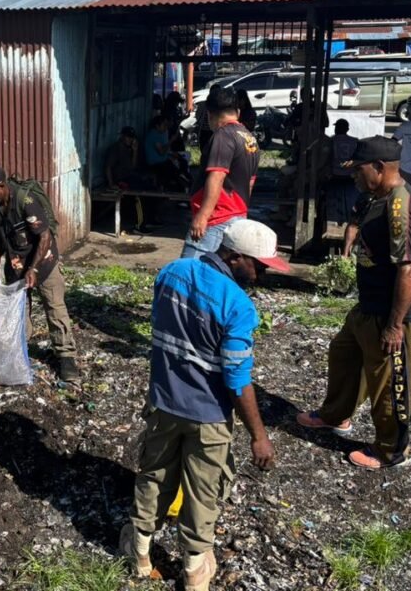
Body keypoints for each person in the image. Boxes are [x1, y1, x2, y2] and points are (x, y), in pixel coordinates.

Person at [120, 219, 286, 588]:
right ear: (235, 257)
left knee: (155, 474)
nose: (261, 275)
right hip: (208, 415)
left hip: (164, 402)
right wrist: (259, 436)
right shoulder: (238, 307)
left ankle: (140, 552)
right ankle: (195, 570)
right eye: (259, 266)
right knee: (203, 490)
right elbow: (237, 379)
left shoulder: (171, 273)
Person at [296, 136, 411, 470]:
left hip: (390, 312)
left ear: (380, 167)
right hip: (368, 305)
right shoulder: (375, 198)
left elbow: (408, 269)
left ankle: (391, 450)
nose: (354, 175)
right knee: (343, 354)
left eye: (359, 169)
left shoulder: (400, 206)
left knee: (388, 381)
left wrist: (394, 325)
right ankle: (335, 415)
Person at [0, 165, 80, 383]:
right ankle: (19, 350)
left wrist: (34, 269)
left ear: (1, 187)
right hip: (16, 264)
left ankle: (66, 356)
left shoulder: (26, 201)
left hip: (44, 262)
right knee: (18, 311)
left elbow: (44, 237)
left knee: (54, 306)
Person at [182, 86, 260, 259]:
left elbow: (217, 175)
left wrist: (203, 216)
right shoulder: (250, 139)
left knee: (188, 269)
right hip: (237, 215)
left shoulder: (223, 136)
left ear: (210, 114)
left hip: (216, 218)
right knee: (216, 268)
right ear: (238, 112)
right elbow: (250, 182)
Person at [105, 126, 156, 234]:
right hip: (120, 180)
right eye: (128, 137)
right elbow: (108, 167)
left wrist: (135, 151)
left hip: (129, 177)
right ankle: (139, 225)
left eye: (131, 137)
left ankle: (150, 218)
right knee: (138, 194)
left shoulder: (129, 149)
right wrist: (111, 184)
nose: (130, 139)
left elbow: (132, 167)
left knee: (150, 188)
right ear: (122, 136)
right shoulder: (115, 149)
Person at [145, 115, 189, 192]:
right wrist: (171, 141)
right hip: (155, 164)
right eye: (164, 125)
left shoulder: (163, 133)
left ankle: (184, 184)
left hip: (164, 160)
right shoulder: (153, 135)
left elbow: (166, 150)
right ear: (157, 126)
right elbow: (161, 152)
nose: (166, 127)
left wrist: (172, 154)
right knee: (172, 171)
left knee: (182, 162)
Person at [328, 119, 359, 226]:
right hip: (350, 175)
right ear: (347, 129)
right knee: (349, 200)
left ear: (336, 129)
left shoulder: (331, 141)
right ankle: (348, 220)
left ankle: (336, 220)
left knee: (335, 200)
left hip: (334, 175)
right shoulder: (355, 141)